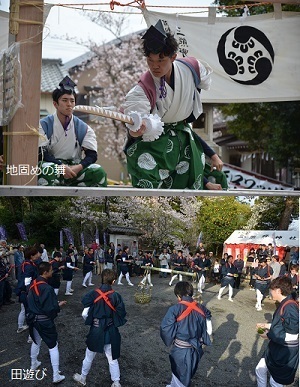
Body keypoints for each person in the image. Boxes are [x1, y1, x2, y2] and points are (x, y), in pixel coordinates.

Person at [122, 20, 227, 190]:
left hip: (183, 140)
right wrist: (137, 130)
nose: (155, 66)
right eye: (150, 61)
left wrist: (212, 154)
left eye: (161, 60)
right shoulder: (142, 89)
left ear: (173, 57)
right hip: (154, 143)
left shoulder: (192, 69)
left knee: (192, 177)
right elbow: (135, 125)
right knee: (145, 171)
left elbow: (185, 123)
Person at [38, 76, 107, 187]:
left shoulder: (83, 128)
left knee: (97, 171)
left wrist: (78, 167)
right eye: (64, 100)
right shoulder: (43, 125)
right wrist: (61, 166)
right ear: (55, 104)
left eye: (72, 101)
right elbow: (40, 153)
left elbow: (92, 155)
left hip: (75, 168)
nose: (69, 104)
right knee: (47, 169)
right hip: (54, 166)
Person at [73, 269, 127, 387]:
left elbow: (85, 304)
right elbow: (122, 313)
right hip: (111, 330)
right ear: (113, 281)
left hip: (96, 329)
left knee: (89, 356)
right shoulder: (116, 296)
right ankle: (116, 382)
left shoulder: (93, 293)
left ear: (101, 279)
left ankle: (83, 377)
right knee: (112, 358)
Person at [160, 281, 212, 387]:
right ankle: (173, 384)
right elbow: (209, 329)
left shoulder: (175, 309)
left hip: (181, 349)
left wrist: (173, 337)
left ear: (178, 296)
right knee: (186, 372)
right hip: (196, 348)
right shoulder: (202, 308)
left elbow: (165, 328)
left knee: (182, 376)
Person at [26, 262, 67, 384]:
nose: (52, 272)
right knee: (53, 345)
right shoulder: (47, 288)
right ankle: (56, 375)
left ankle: (33, 364)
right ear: (45, 272)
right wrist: (58, 305)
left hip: (33, 319)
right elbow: (50, 309)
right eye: (50, 270)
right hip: (44, 321)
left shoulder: (33, 283)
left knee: (36, 341)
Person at [255, 276, 299, 387]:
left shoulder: (290, 308)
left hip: (285, 352)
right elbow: (282, 325)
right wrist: (267, 325)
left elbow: (293, 336)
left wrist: (268, 335)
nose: (270, 292)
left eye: (271, 289)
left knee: (275, 382)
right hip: (276, 347)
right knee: (260, 370)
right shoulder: (285, 302)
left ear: (278, 290)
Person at [15, 247, 40, 333]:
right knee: (31, 312)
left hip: (22, 291)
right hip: (27, 292)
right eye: (36, 253)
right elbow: (27, 281)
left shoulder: (24, 263)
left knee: (23, 310)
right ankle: (31, 335)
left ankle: (20, 326)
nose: (38, 255)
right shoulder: (29, 266)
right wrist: (31, 293)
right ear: (31, 256)